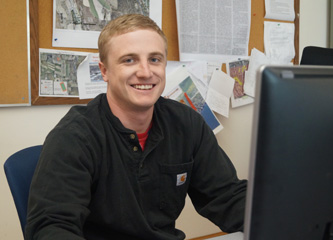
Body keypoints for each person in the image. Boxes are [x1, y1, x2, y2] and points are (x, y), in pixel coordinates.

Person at [25, 14, 247, 240]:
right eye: (129, 60)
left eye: (155, 59)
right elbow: (51, 226)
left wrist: (277, 219)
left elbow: (226, 196)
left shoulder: (187, 123)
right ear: (104, 71)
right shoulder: (74, 136)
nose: (145, 72)